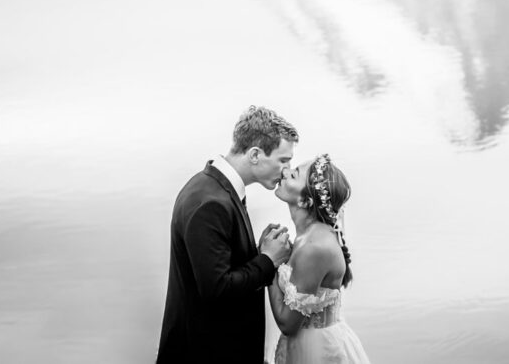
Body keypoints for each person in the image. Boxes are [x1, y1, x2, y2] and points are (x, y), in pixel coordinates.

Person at [157, 105, 299, 364]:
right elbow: (217, 289)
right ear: (255, 154)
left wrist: (257, 252)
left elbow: (218, 266)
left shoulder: (213, 188)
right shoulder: (210, 203)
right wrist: (267, 260)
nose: (287, 170)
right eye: (283, 160)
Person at [269, 154, 371, 364]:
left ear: (305, 200)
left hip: (315, 351)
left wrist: (270, 261)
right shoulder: (308, 235)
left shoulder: (314, 248)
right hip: (304, 344)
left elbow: (288, 324)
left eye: (294, 174)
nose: (285, 171)